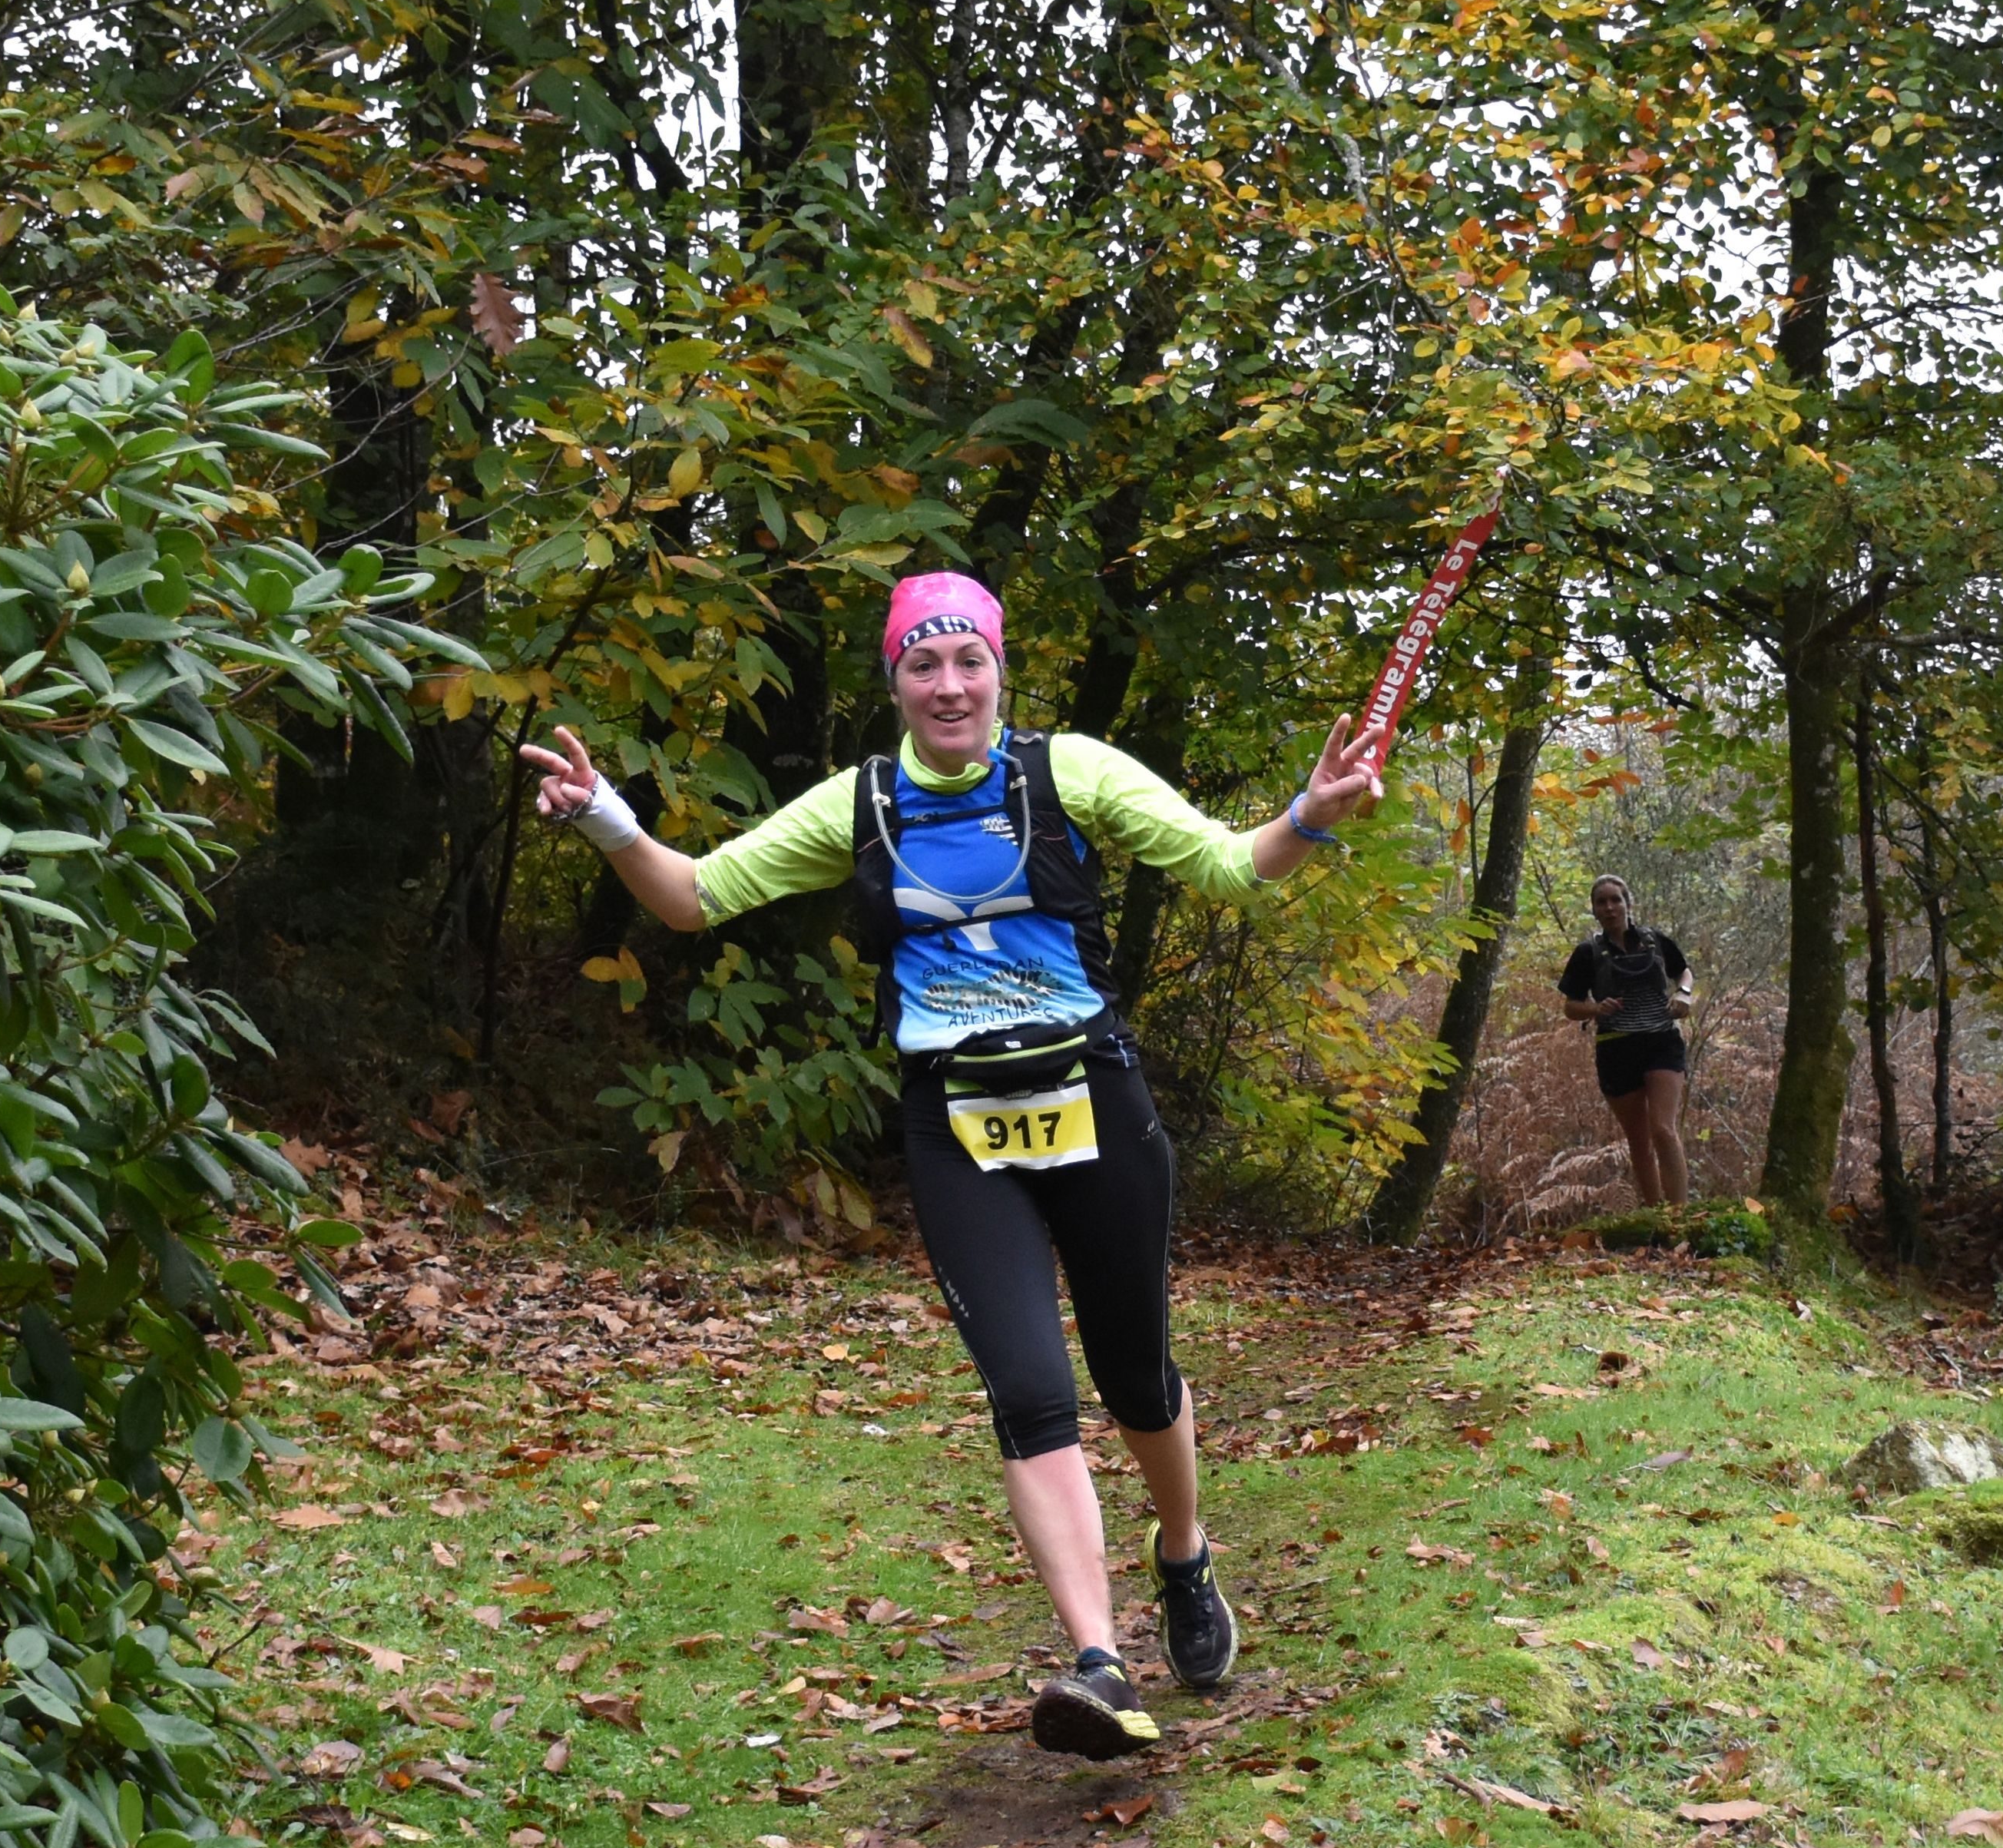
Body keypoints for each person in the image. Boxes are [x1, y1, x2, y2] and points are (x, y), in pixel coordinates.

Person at [521, 571, 1388, 1762]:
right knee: (1029, 1392)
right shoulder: (860, 804)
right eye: (922, 664)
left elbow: (1233, 867)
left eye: (967, 659)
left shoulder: (1070, 772)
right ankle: (1099, 1662)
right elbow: (696, 896)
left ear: (998, 671)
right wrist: (609, 821)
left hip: (1096, 1105)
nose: (948, 685)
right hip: (959, 1130)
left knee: (1136, 1376)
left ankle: (1184, 1554)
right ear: (894, 682)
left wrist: (1311, 813)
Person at [1557, 874, 1693, 1207]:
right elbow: (1571, 1007)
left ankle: (1680, 1215)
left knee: (1663, 1129)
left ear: (1628, 904)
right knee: (1639, 1139)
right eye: (1601, 902)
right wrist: (1595, 1008)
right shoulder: (1587, 952)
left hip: (1661, 1041)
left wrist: (1684, 994)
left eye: (1616, 900)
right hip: (1616, 1048)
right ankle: (1655, 1214)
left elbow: (1684, 971)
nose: (1609, 907)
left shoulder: (1655, 940)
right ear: (1594, 910)